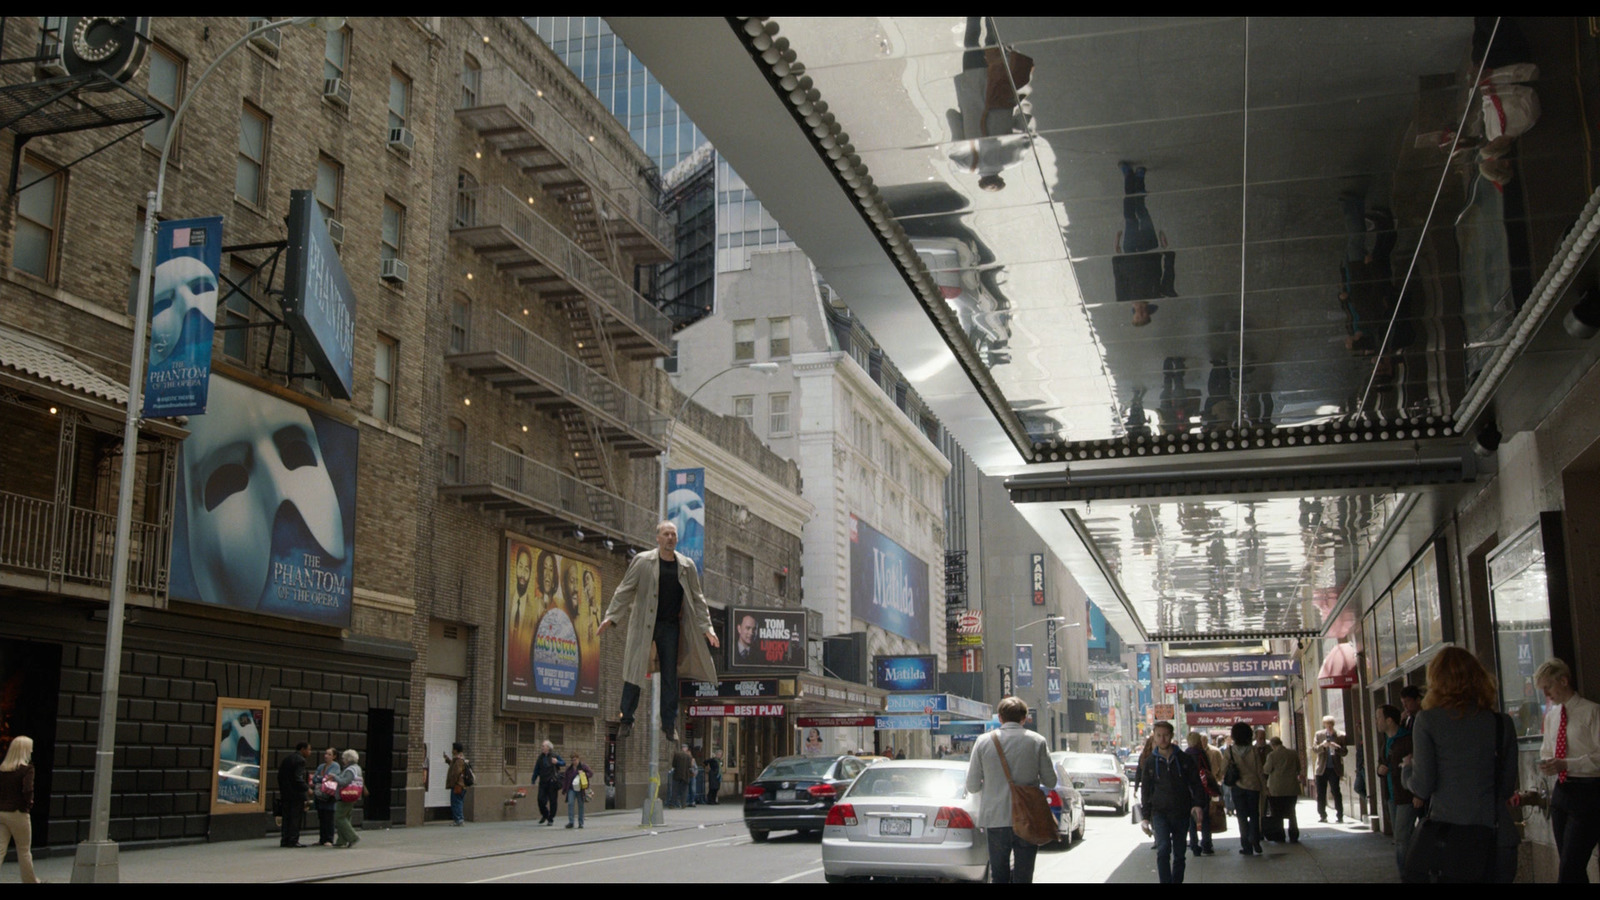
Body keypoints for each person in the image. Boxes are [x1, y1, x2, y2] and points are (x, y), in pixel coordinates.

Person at [1401, 646, 1518, 883]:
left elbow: (1423, 786)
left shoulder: (1427, 721)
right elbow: (1506, 786)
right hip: (1495, 838)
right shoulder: (1501, 723)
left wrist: (1407, 770)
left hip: (1449, 841)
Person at [597, 521, 720, 743]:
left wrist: (707, 628)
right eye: (666, 534)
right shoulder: (643, 561)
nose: (670, 538)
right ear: (658, 538)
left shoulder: (686, 565)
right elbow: (624, 589)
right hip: (644, 625)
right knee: (634, 671)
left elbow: (698, 599)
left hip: (670, 626)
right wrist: (611, 616)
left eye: (673, 534)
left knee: (670, 677)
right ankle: (627, 719)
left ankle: (669, 723)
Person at [965, 696, 1056, 884]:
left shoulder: (983, 742)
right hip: (1028, 818)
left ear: (1000, 717)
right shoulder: (1037, 742)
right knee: (1024, 875)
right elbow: (1051, 781)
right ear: (1024, 718)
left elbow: (972, 786)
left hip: (995, 818)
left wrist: (992, 783)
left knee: (998, 875)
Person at [1535, 658, 1600, 883]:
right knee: (1570, 865)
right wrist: (1548, 763)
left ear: (1563, 681)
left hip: (1588, 792)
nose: (1547, 694)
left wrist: (1568, 764)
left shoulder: (1591, 712)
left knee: (1570, 868)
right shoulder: (1553, 716)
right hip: (1562, 793)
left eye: (1548, 686)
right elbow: (1547, 750)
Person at [1140, 722, 1206, 883]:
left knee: (1179, 853)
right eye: (1158, 735)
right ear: (1154, 737)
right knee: (1163, 849)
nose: (1162, 739)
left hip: (1181, 812)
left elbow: (1196, 783)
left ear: (1171, 736)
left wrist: (1197, 804)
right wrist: (1145, 817)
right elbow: (1146, 791)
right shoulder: (1150, 762)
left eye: (1166, 735)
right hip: (1159, 813)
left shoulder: (1184, 759)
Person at [1112, 162, 1176, 327]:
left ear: (1133, 314)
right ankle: (1138, 180)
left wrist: (1117, 249)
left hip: (1131, 250)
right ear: (1148, 313)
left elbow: (1118, 276)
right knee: (1141, 212)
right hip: (1149, 248)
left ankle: (1129, 177)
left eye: (1137, 316)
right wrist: (1166, 249)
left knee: (1129, 216)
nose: (1140, 313)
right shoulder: (1158, 293)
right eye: (1143, 316)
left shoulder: (1124, 296)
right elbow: (1169, 272)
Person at [1376, 704, 1415, 875]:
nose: (1376, 721)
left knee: (1401, 837)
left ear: (1389, 720)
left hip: (1406, 794)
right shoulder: (1385, 741)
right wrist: (1380, 770)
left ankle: (1406, 873)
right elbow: (1382, 764)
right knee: (1400, 836)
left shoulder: (1408, 739)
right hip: (1391, 795)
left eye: (1379, 717)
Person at [0, 736, 39, 883]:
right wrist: (28, 804)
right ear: (25, 750)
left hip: (2, 812)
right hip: (18, 813)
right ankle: (30, 881)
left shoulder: (3, 769)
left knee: (0, 848)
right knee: (24, 851)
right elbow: (27, 789)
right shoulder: (27, 769)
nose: (32, 750)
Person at [1226, 721, 1266, 855]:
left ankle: (1246, 845)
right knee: (1254, 814)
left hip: (1237, 787)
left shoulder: (1230, 750)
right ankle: (1255, 839)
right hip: (1253, 786)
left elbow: (1223, 768)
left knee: (1241, 817)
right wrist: (1264, 787)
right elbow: (1260, 770)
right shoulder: (1254, 750)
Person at [1262, 737, 1302, 844]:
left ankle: (1280, 836)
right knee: (1292, 812)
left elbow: (1266, 770)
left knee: (1277, 814)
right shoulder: (1293, 753)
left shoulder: (1272, 755)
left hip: (1276, 789)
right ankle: (1294, 835)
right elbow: (1298, 768)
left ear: (1272, 745)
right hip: (1292, 788)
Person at [1183, 731, 1216, 855]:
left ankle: (1194, 845)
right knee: (1205, 818)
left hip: (1188, 791)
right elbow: (1208, 771)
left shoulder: (1184, 754)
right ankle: (1206, 844)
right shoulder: (1201, 754)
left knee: (1191, 819)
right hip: (1202, 789)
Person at [1312, 715, 1347, 823]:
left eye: (1331, 725)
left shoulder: (1340, 735)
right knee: (1321, 793)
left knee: (1336, 791)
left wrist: (1336, 747)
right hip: (1321, 768)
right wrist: (1323, 745)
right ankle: (1322, 815)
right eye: (1327, 725)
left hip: (1334, 768)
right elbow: (1314, 749)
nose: (1329, 728)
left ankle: (1340, 815)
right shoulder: (1319, 735)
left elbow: (1345, 752)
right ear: (1324, 725)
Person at [278, 741, 311, 847]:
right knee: (295, 818)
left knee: (286, 817)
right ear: (303, 749)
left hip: (286, 793)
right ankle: (293, 840)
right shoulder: (300, 760)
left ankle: (285, 839)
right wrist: (307, 788)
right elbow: (298, 778)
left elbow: (280, 776)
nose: (309, 752)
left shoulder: (287, 759)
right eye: (309, 749)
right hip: (296, 794)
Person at [333, 749, 364, 849]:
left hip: (345, 796)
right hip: (353, 795)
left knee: (339, 817)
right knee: (346, 817)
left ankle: (352, 837)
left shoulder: (350, 769)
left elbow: (344, 782)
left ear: (348, 759)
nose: (342, 760)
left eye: (343, 758)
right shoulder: (357, 768)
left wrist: (335, 777)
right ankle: (341, 840)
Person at [312, 747, 341, 847]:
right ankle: (322, 838)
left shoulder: (335, 766)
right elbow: (315, 778)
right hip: (320, 794)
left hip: (329, 794)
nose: (326, 756)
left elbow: (329, 777)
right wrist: (322, 778)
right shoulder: (321, 766)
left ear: (334, 756)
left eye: (329, 754)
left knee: (328, 817)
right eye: (325, 754)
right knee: (321, 817)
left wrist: (320, 778)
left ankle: (329, 839)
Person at [533, 740, 565, 826]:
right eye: (542, 746)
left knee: (553, 801)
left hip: (552, 782)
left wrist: (557, 762)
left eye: (543, 746)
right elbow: (536, 769)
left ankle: (550, 818)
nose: (542, 747)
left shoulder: (554, 756)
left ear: (548, 747)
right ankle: (545, 814)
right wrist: (533, 779)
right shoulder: (540, 757)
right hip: (543, 782)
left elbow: (563, 763)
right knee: (540, 800)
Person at [564, 753, 594, 829]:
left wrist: (584, 774)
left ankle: (581, 823)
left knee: (580, 805)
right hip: (571, 788)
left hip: (581, 789)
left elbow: (590, 773)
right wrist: (565, 789)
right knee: (570, 803)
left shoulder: (583, 767)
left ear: (578, 759)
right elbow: (566, 779)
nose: (574, 761)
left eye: (575, 760)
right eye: (572, 760)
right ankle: (571, 822)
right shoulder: (569, 769)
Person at [444, 742, 469, 826]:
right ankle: (459, 819)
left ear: (455, 750)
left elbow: (456, 772)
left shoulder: (458, 760)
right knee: (459, 802)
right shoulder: (460, 759)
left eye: (453, 749)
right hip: (461, 785)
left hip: (458, 785)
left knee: (456, 802)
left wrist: (452, 782)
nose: (452, 750)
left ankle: (459, 819)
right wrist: (448, 760)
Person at [669, 744, 693, 809]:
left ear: (681, 748)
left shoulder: (676, 754)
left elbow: (673, 765)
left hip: (677, 775)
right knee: (684, 790)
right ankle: (683, 804)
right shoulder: (689, 756)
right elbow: (690, 766)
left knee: (675, 790)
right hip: (685, 775)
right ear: (686, 748)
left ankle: (672, 804)